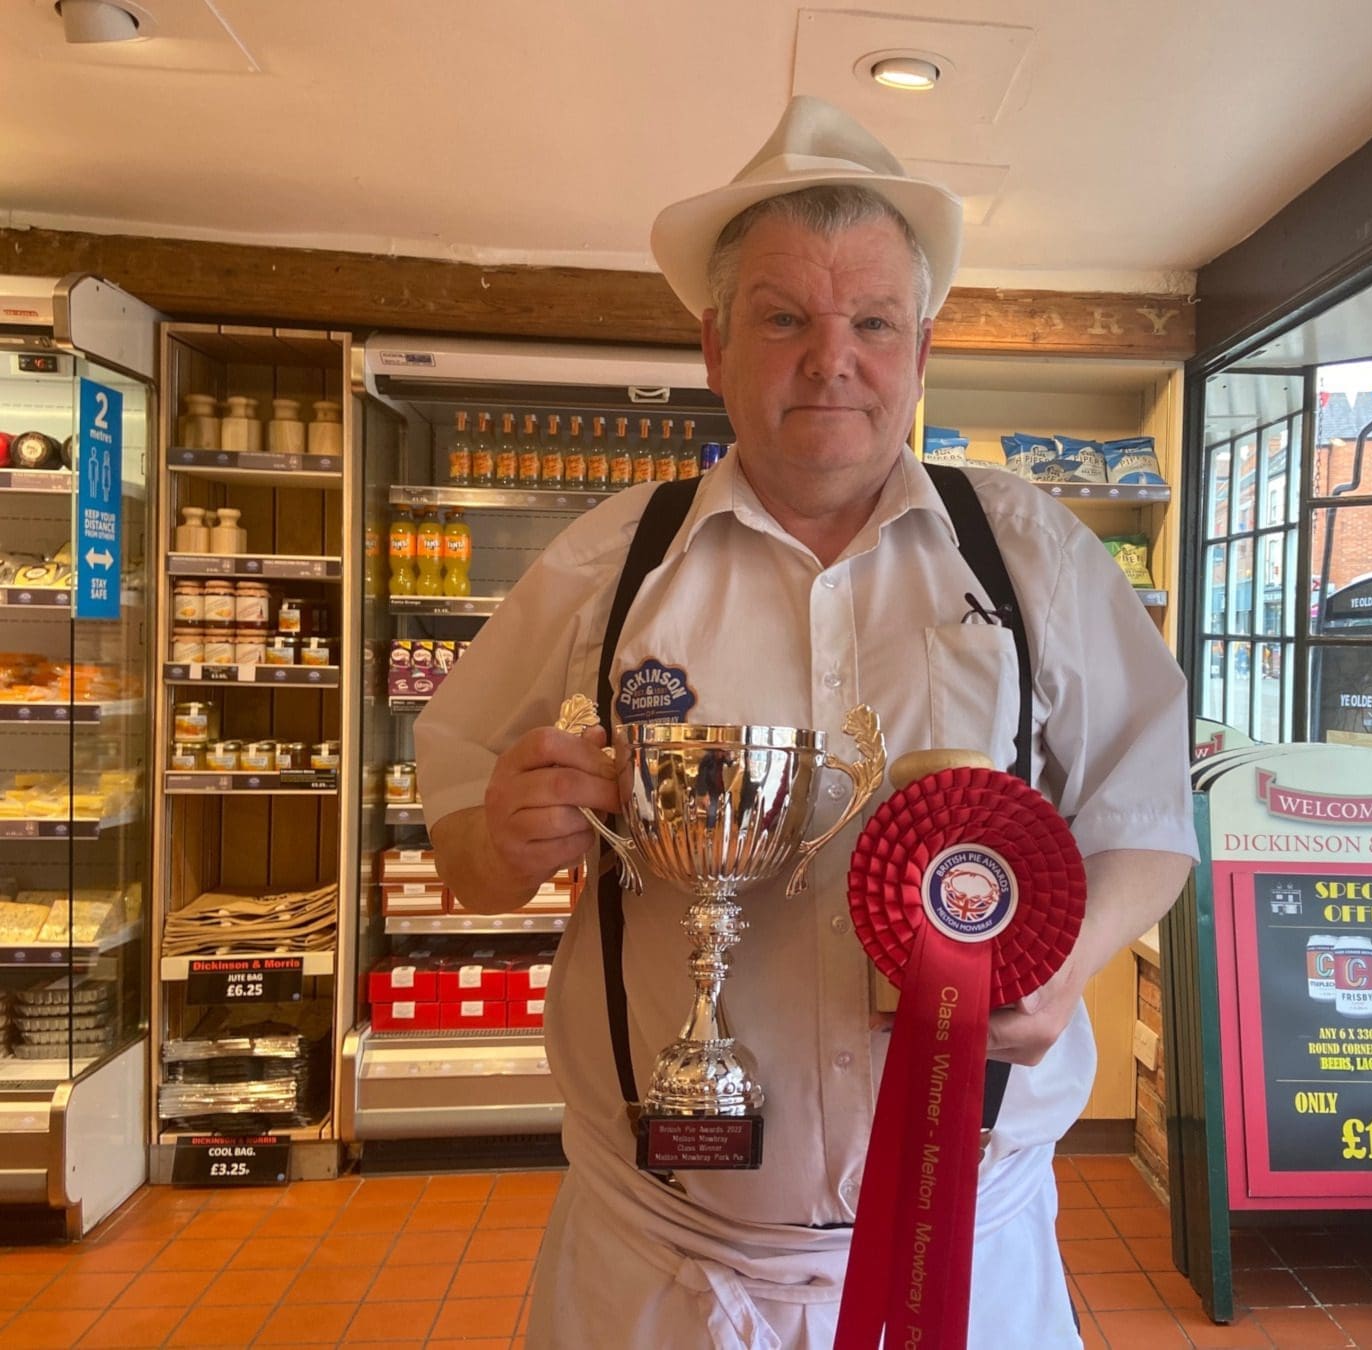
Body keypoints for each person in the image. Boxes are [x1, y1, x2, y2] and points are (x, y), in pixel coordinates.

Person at [416, 94, 1198, 1349]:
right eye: (784, 318)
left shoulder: (1029, 553)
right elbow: (460, 837)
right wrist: (505, 838)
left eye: (873, 321)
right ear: (716, 345)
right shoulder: (609, 565)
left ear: (922, 348)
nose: (833, 358)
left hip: (973, 1260)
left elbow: (1149, 817)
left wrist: (1071, 954)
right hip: (659, 1268)